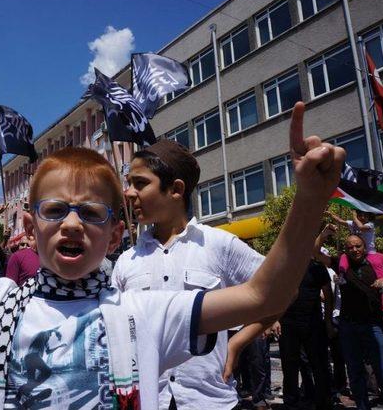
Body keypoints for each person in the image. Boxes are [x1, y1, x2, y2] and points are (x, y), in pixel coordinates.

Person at [0, 79, 343, 409]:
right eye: (55, 210)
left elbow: (265, 297)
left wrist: (310, 199)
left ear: (117, 232)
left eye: (91, 212)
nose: (72, 223)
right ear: (31, 226)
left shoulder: (145, 313)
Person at [112, 139, 276, 410]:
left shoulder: (219, 245)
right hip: (150, 400)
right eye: (129, 183)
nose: (128, 193)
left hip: (209, 399)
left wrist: (237, 342)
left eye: (140, 183)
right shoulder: (126, 261)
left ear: (176, 189)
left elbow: (281, 292)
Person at [314, 229, 383, 409]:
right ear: (345, 250)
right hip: (349, 326)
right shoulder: (340, 264)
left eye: (358, 246)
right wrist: (323, 236)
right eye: (350, 247)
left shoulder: (376, 263)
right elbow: (314, 253)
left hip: (373, 325)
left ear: (364, 247)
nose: (354, 249)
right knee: (355, 372)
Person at [278, 256, 335, 409]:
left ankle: (324, 401)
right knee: (289, 365)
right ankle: (291, 403)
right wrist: (274, 319)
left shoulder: (317, 267)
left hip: (313, 321)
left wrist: (328, 321)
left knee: (319, 364)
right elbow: (275, 294)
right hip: (288, 323)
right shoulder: (283, 266)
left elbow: (328, 294)